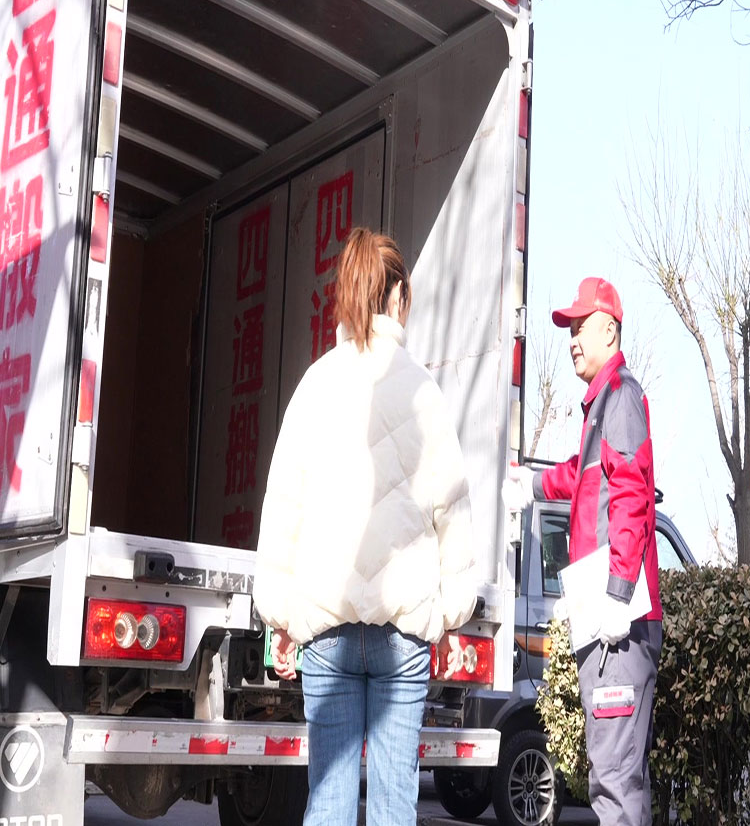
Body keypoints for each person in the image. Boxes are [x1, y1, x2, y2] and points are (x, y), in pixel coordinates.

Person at [253, 228, 478, 826]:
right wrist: (451, 612)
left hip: (325, 625)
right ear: (397, 296)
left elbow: (284, 506)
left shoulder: (314, 384)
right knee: (393, 804)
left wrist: (280, 614)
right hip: (402, 630)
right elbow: (452, 508)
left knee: (327, 800)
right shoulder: (422, 389)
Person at [503, 276, 661, 826]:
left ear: (609, 331)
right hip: (606, 617)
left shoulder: (620, 398)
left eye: (580, 327)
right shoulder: (603, 405)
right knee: (612, 773)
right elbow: (583, 477)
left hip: (619, 621)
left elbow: (632, 495)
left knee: (614, 779)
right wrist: (534, 485)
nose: (571, 339)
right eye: (568, 329)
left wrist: (618, 594)